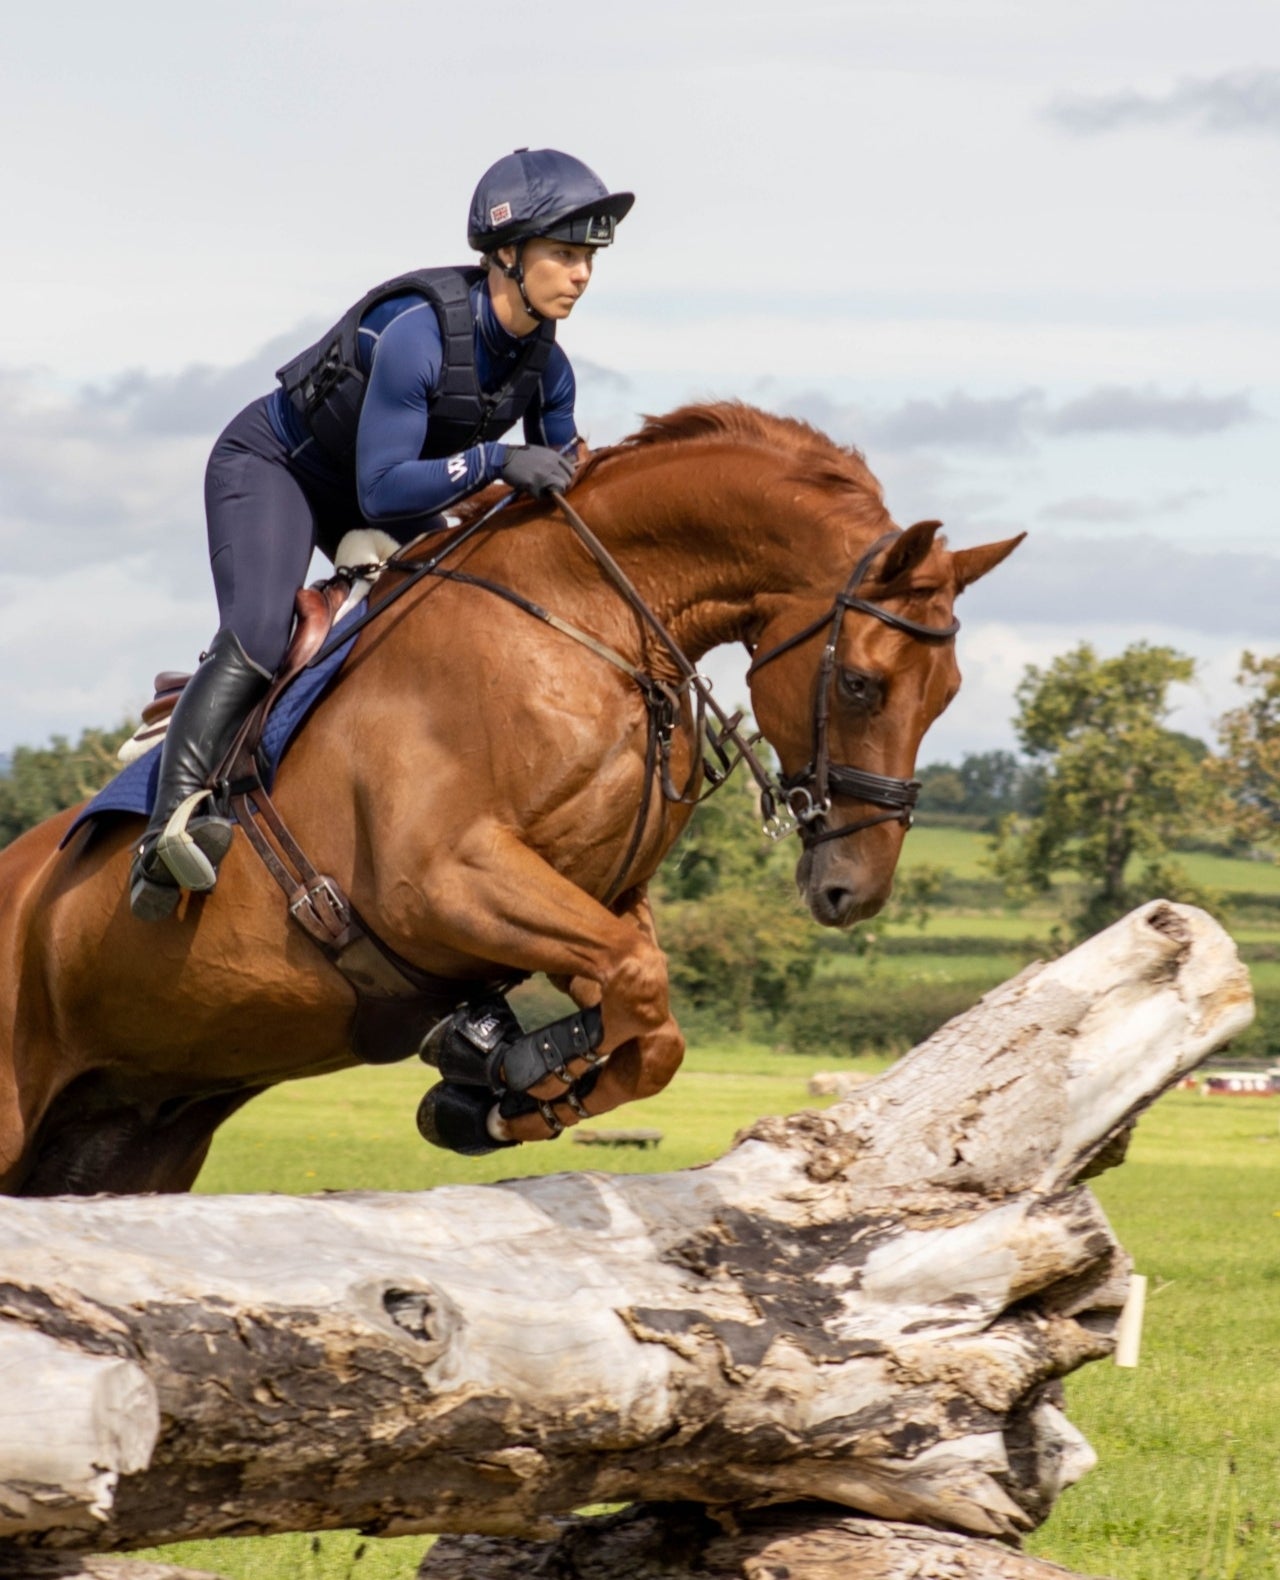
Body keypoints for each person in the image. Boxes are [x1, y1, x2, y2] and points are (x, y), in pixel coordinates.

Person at [129, 148, 634, 921]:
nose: (582, 275)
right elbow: (380, 489)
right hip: (280, 468)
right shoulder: (418, 337)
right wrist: (501, 458)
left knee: (464, 618)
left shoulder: (549, 370)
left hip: (380, 484)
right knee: (262, 635)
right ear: (506, 253)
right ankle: (165, 836)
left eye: (588, 258)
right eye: (565, 254)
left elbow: (556, 488)